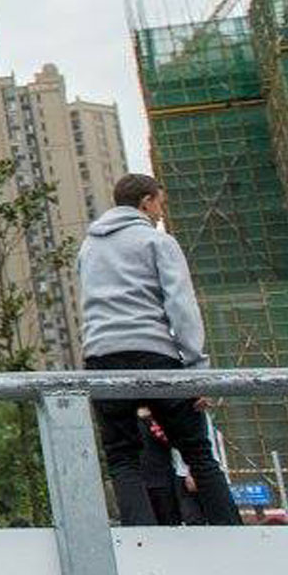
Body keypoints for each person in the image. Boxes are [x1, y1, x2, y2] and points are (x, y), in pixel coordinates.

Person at [78, 172, 242, 526]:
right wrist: (198, 371)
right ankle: (231, 532)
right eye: (159, 205)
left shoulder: (88, 247)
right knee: (197, 450)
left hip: (101, 354)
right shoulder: (158, 241)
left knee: (122, 457)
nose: (160, 214)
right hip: (152, 350)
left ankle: (140, 538)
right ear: (145, 202)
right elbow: (181, 306)